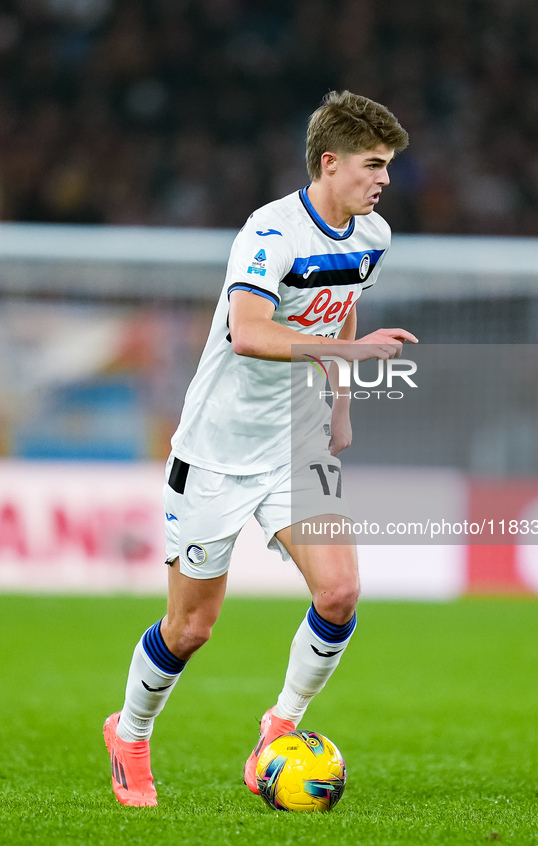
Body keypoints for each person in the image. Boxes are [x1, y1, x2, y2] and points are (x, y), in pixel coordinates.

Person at [103, 90, 417, 807]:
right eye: (374, 165)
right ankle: (131, 730)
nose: (385, 180)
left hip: (295, 441)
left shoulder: (374, 235)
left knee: (338, 593)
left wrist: (338, 402)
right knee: (191, 627)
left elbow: (343, 307)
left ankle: (279, 729)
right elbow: (248, 333)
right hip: (216, 450)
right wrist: (354, 351)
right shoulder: (268, 234)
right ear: (329, 163)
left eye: (388, 166)